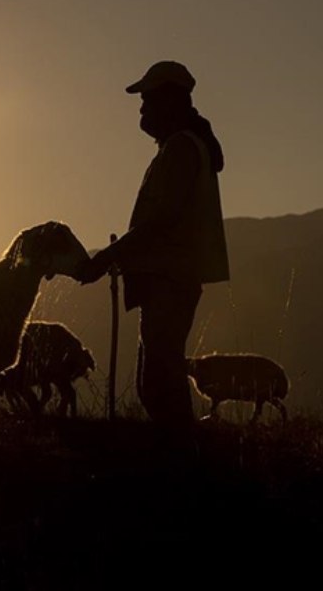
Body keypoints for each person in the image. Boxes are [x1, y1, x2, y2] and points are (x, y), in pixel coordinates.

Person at [76, 60, 230, 432]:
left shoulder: (179, 149)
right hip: (170, 275)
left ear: (169, 100)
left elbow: (160, 219)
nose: (142, 109)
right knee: (156, 379)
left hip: (169, 276)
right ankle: (179, 459)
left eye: (147, 99)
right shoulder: (184, 146)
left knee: (160, 380)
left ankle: (181, 462)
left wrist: (108, 258)